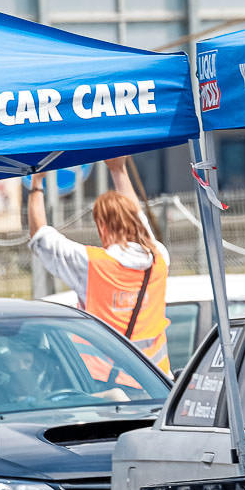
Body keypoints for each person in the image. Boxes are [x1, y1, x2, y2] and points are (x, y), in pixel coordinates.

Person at [27, 158, 172, 373]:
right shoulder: (158, 259)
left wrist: (37, 183)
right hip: (158, 380)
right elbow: (141, 223)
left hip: (105, 385)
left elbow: (40, 236)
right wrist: (119, 170)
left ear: (102, 226)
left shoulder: (92, 264)